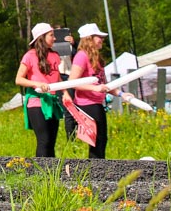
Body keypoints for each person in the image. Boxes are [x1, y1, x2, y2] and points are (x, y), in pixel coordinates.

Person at [63, 23, 130, 159]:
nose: (102, 40)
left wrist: (121, 94)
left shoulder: (97, 59)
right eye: (98, 37)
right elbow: (72, 81)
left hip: (97, 103)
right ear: (90, 38)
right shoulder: (81, 56)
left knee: (101, 140)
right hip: (87, 104)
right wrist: (95, 88)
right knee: (97, 141)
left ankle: (98, 170)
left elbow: (103, 84)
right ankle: (95, 172)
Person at [16, 22, 62, 158]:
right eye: (51, 35)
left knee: (52, 142)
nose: (54, 38)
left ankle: (52, 175)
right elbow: (19, 79)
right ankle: (41, 174)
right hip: (36, 102)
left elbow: (58, 79)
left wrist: (66, 94)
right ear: (42, 37)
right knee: (44, 140)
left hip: (52, 102)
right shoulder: (29, 56)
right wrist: (36, 83)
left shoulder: (55, 55)